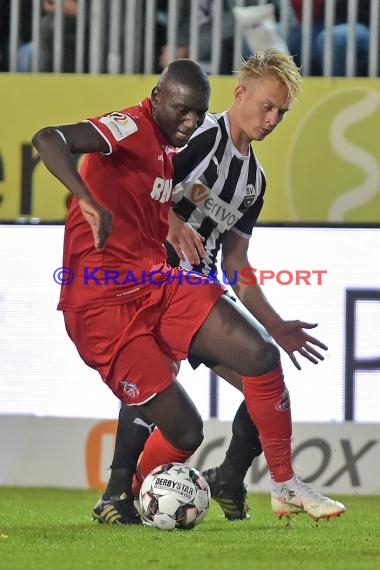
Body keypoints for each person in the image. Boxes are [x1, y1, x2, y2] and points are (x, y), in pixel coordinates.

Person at [32, 55, 345, 527]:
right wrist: (163, 221)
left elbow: (236, 262)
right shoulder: (189, 135)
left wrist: (277, 323)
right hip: (139, 277)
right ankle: (124, 491)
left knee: (263, 374)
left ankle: (248, 480)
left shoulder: (250, 181)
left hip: (182, 281)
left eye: (281, 113)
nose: (272, 120)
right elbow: (139, 180)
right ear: (239, 95)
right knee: (176, 410)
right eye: (267, 106)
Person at [288, 0, 373, 76]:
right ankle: (305, 89)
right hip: (326, 22)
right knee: (296, 37)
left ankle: (341, 90)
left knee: (333, 39)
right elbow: (305, 13)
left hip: (366, 24)